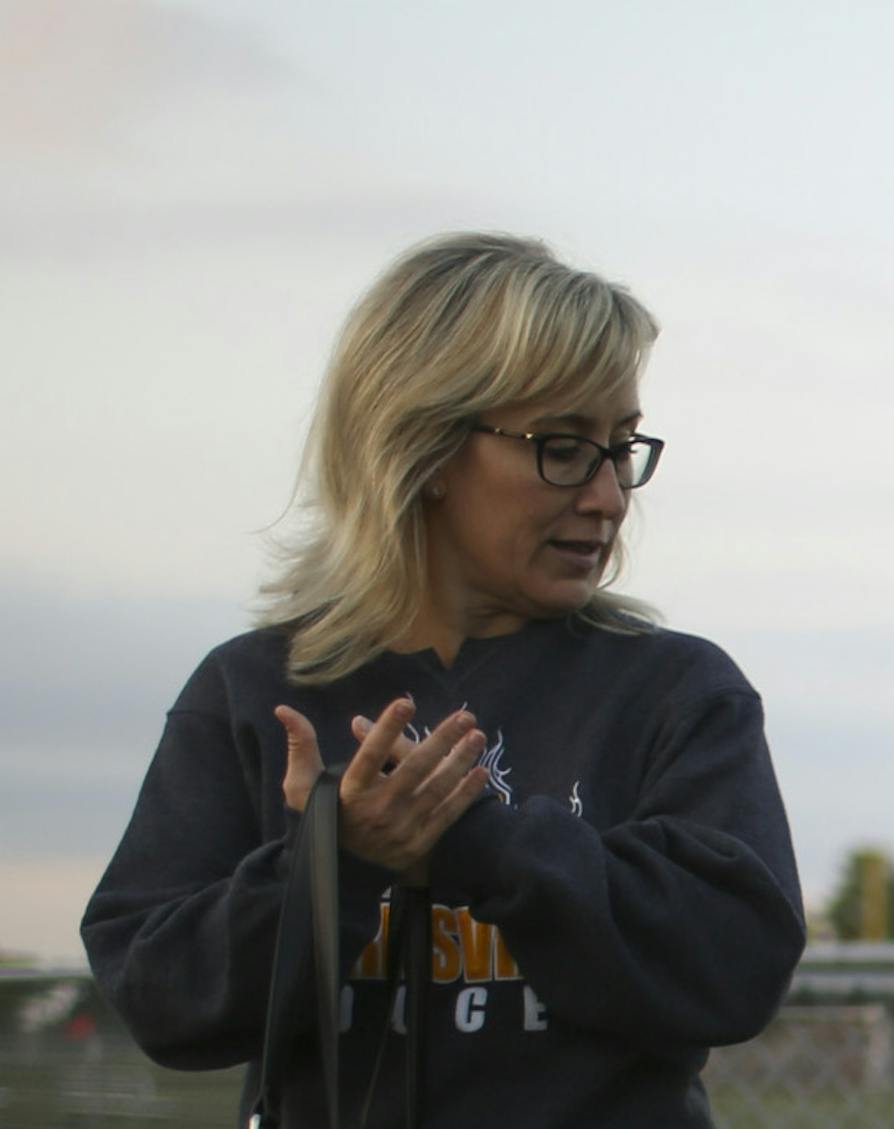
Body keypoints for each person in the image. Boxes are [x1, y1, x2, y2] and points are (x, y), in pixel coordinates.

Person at [80, 232, 806, 1127]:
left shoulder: (674, 690)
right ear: (419, 448)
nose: (611, 495)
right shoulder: (256, 690)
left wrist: (478, 844)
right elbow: (160, 996)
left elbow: (735, 967)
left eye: (621, 448)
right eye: (564, 448)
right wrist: (331, 863)